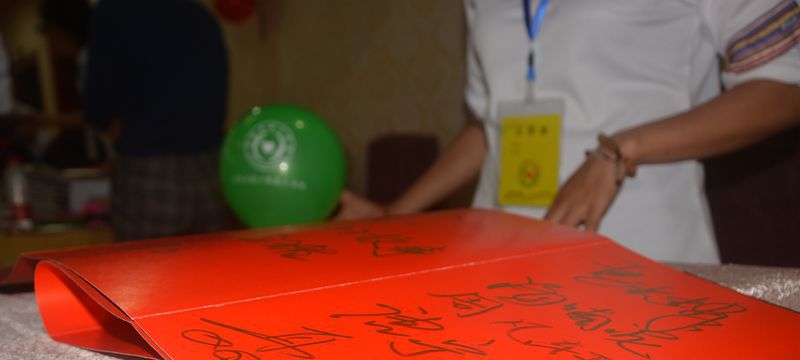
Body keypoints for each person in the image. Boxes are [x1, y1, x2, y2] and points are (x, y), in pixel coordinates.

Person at [338, 0, 800, 263]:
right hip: (498, 259)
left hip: (640, 253)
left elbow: (785, 85)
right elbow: (489, 125)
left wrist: (623, 148)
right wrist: (394, 213)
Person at [83, 0, 233, 241]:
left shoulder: (114, 12)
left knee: (144, 264)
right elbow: (218, 92)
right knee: (212, 263)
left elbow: (98, 100)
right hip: (209, 172)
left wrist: (116, 127)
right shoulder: (200, 14)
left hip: (149, 173)